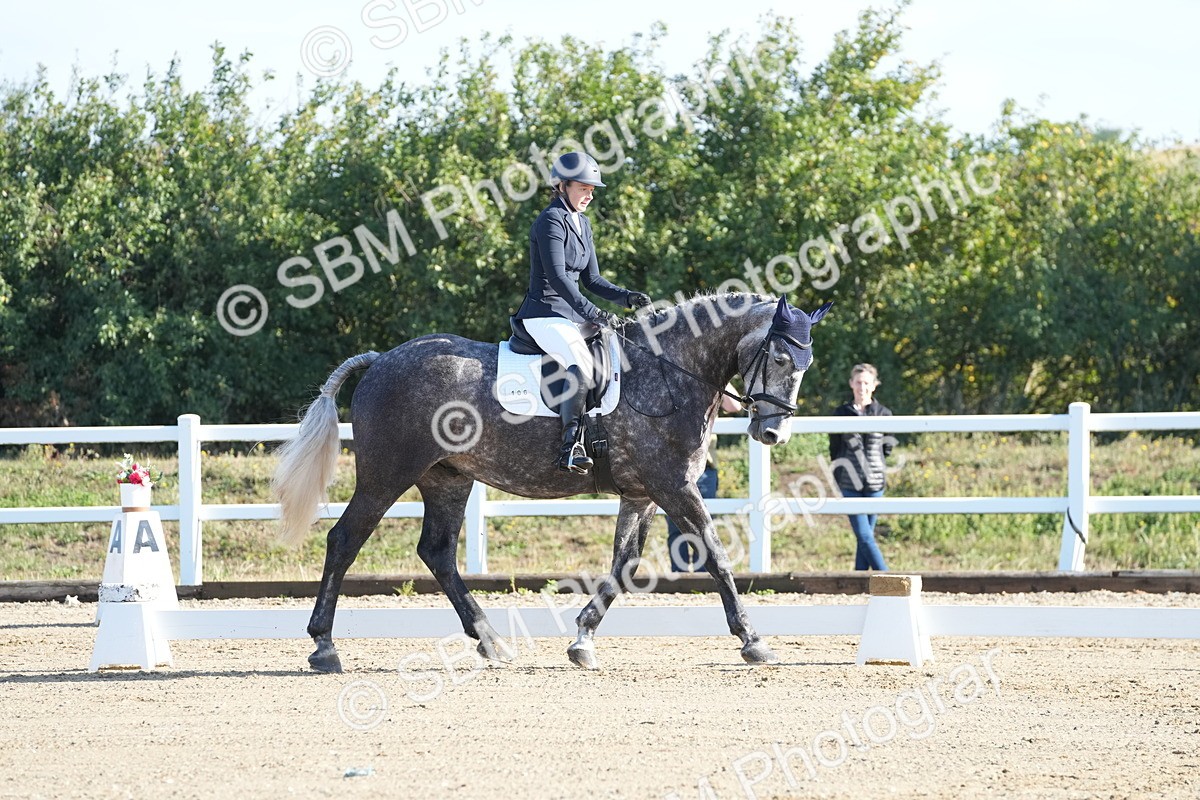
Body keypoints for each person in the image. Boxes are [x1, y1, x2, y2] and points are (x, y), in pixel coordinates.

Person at [514, 151, 651, 474]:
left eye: (592, 190)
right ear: (562, 186)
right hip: (545, 313)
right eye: (583, 188)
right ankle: (570, 446)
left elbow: (592, 279)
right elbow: (558, 278)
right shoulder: (550, 220)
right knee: (581, 362)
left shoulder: (583, 223)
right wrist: (594, 313)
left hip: (570, 315)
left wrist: (626, 297)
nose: (589, 195)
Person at [827, 363, 894, 571]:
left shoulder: (884, 413)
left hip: (875, 483)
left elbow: (888, 447)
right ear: (851, 384)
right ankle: (888, 579)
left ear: (874, 385)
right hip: (849, 483)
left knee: (865, 538)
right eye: (858, 382)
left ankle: (860, 580)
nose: (862, 387)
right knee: (864, 536)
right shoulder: (840, 413)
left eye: (866, 383)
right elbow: (834, 447)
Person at [667, 391, 743, 572]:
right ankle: (679, 576)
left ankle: (704, 575)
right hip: (674, 468)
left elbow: (734, 406)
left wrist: (723, 380)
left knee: (705, 527)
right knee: (676, 526)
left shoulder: (710, 386)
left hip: (704, 470)